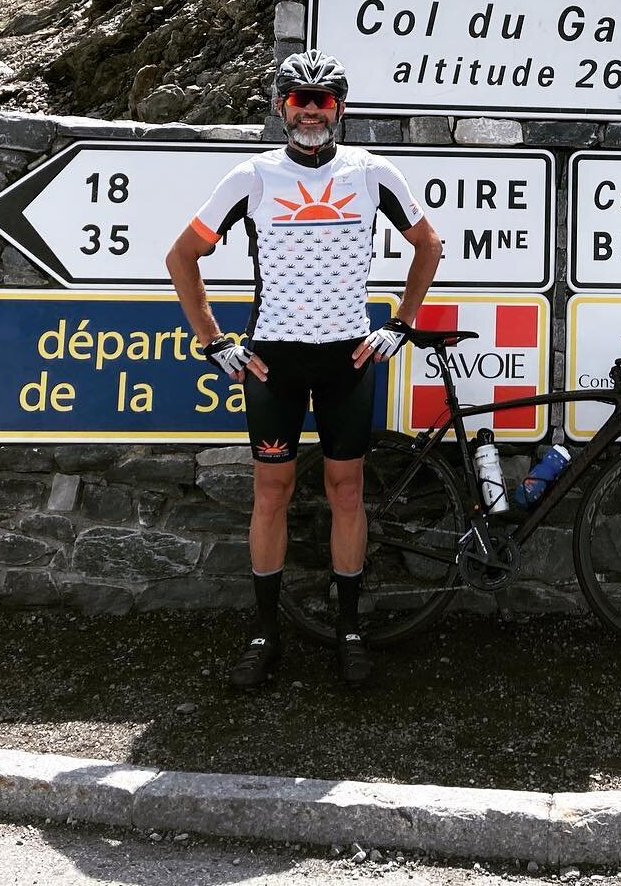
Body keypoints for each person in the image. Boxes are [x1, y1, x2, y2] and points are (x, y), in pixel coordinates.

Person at [165, 48, 442, 689]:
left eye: (323, 101)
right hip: (275, 363)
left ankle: (349, 633)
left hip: (349, 356)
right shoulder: (253, 177)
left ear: (340, 108)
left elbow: (427, 244)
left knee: (348, 493)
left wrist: (399, 324)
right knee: (272, 494)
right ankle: (264, 638)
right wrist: (213, 342)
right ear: (281, 107)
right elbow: (182, 258)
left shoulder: (372, 174)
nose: (311, 111)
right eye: (299, 99)